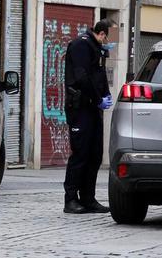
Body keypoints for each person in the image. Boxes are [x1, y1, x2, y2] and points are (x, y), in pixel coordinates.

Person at [62, 19, 114, 214]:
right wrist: (97, 98)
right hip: (80, 107)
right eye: (111, 37)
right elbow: (82, 77)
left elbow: (99, 74)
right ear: (101, 33)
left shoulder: (98, 48)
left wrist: (106, 94)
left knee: (95, 154)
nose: (112, 42)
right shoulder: (81, 45)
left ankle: (88, 198)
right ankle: (70, 199)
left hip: (94, 108)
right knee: (80, 154)